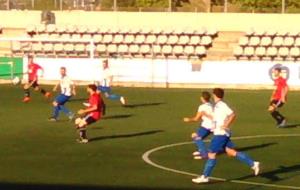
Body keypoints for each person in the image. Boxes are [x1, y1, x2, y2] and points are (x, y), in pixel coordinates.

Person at [192, 88, 260, 184]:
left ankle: (205, 177)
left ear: (215, 95)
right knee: (231, 152)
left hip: (221, 134)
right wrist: (209, 118)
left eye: (213, 94)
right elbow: (216, 118)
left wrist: (226, 125)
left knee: (211, 154)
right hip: (220, 133)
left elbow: (232, 114)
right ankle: (253, 163)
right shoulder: (217, 106)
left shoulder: (222, 105)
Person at [183, 91, 214, 159]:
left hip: (207, 126)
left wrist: (188, 119)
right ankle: (201, 150)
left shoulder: (202, 107)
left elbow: (196, 119)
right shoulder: (212, 105)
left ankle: (204, 154)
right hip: (214, 125)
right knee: (198, 136)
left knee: (196, 136)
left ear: (202, 98)